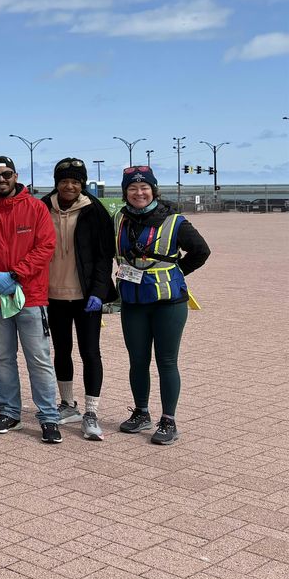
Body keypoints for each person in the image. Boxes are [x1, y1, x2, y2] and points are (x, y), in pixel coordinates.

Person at [0, 156, 62, 443]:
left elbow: (45, 246)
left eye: (6, 174)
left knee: (39, 358)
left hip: (30, 296)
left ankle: (48, 416)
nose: (1, 180)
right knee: (3, 358)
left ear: (15, 176)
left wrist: (16, 274)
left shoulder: (36, 208)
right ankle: (9, 412)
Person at [114, 166, 210, 445]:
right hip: (133, 301)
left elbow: (201, 251)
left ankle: (168, 420)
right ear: (125, 193)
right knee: (137, 360)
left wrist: (177, 273)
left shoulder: (174, 220)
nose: (139, 193)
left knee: (166, 361)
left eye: (144, 188)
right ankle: (141, 412)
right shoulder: (119, 218)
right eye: (132, 188)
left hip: (168, 303)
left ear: (154, 190)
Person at [39, 158, 116, 440]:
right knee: (61, 351)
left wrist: (98, 292)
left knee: (90, 352)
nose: (69, 186)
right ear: (56, 183)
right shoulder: (42, 207)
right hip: (53, 295)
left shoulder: (94, 210)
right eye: (64, 181)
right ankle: (67, 404)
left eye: (75, 181)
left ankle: (91, 412)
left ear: (82, 184)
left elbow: (104, 256)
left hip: (86, 296)